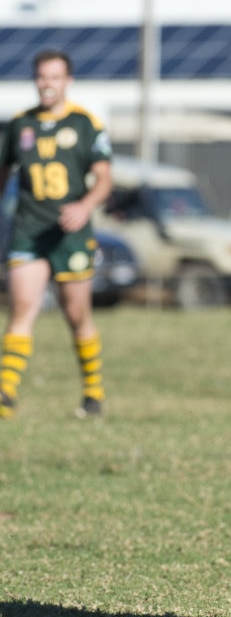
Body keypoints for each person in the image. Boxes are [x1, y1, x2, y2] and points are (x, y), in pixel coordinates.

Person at [0, 49, 113, 420]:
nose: (47, 84)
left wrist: (84, 207)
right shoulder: (19, 125)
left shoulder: (85, 124)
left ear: (68, 81)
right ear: (36, 80)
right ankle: (5, 397)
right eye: (42, 77)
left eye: (54, 77)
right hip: (29, 230)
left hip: (71, 234)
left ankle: (93, 394)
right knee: (22, 308)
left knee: (76, 314)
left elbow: (104, 179)